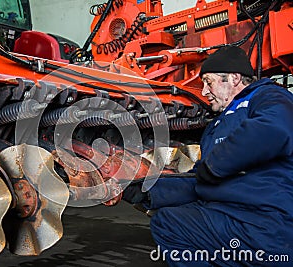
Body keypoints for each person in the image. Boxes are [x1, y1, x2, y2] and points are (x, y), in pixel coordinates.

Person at [123, 46, 293, 266]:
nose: (203, 91)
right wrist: (146, 191)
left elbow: (275, 128)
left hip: (265, 220)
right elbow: (199, 179)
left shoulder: (267, 96)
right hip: (230, 215)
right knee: (169, 220)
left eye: (209, 82)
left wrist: (216, 165)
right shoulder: (217, 126)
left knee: (169, 225)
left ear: (233, 78)